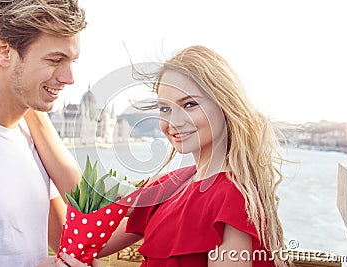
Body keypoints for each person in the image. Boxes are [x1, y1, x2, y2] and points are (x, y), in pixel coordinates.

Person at [25, 45, 292, 267]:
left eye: (190, 104)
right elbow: (78, 238)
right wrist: (26, 109)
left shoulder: (233, 197)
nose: (174, 121)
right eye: (165, 108)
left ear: (226, 105)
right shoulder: (169, 186)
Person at [0, 0, 86, 266]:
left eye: (72, 61)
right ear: (3, 50)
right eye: (55, 60)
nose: (69, 77)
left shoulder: (30, 135)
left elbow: (65, 237)